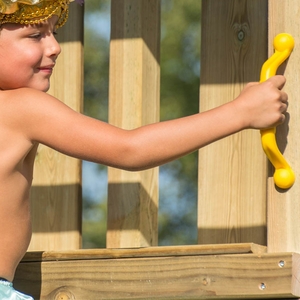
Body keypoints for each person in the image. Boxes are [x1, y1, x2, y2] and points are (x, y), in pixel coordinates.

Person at [0, 0, 288, 299]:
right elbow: (130, 149)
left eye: (54, 31)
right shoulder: (22, 108)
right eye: (36, 36)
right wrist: (241, 112)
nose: (55, 46)